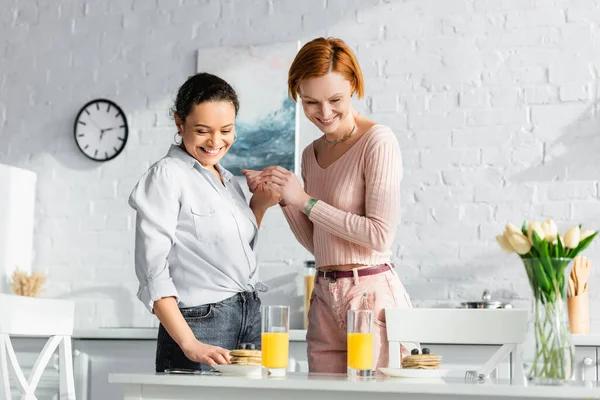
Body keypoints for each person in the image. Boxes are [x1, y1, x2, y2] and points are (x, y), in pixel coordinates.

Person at [243, 37, 414, 373]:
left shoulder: (377, 142)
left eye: (335, 99)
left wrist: (305, 201)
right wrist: (283, 198)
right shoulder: (311, 154)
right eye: (310, 102)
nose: (323, 113)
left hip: (371, 296)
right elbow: (320, 243)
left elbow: (380, 235)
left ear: (353, 86)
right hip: (324, 295)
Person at [129, 72, 279, 372]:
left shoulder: (227, 180)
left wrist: (258, 207)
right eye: (202, 130)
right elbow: (152, 272)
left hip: (249, 318)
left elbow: (229, 254)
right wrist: (189, 343)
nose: (216, 141)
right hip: (201, 324)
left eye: (226, 130)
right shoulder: (168, 176)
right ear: (179, 123)